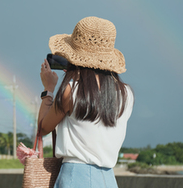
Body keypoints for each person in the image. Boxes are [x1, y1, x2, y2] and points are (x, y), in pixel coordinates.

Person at [38, 16, 134, 188]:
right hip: (108, 179)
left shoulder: (72, 90)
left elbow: (43, 127)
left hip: (75, 177)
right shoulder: (126, 93)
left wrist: (48, 90)